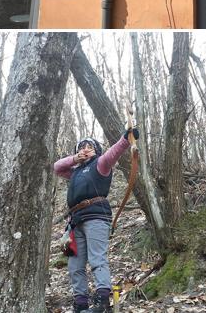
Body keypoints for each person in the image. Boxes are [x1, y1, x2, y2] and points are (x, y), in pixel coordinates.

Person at [54, 129, 138, 313]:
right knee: (75, 265)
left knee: (97, 259)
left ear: (97, 150)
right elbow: (57, 167)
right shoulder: (75, 171)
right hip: (75, 221)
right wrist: (76, 159)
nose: (85, 149)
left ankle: (102, 303)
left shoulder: (101, 164)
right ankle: (81, 303)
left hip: (96, 217)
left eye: (89, 146)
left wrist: (126, 138)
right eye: (81, 147)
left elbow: (113, 153)